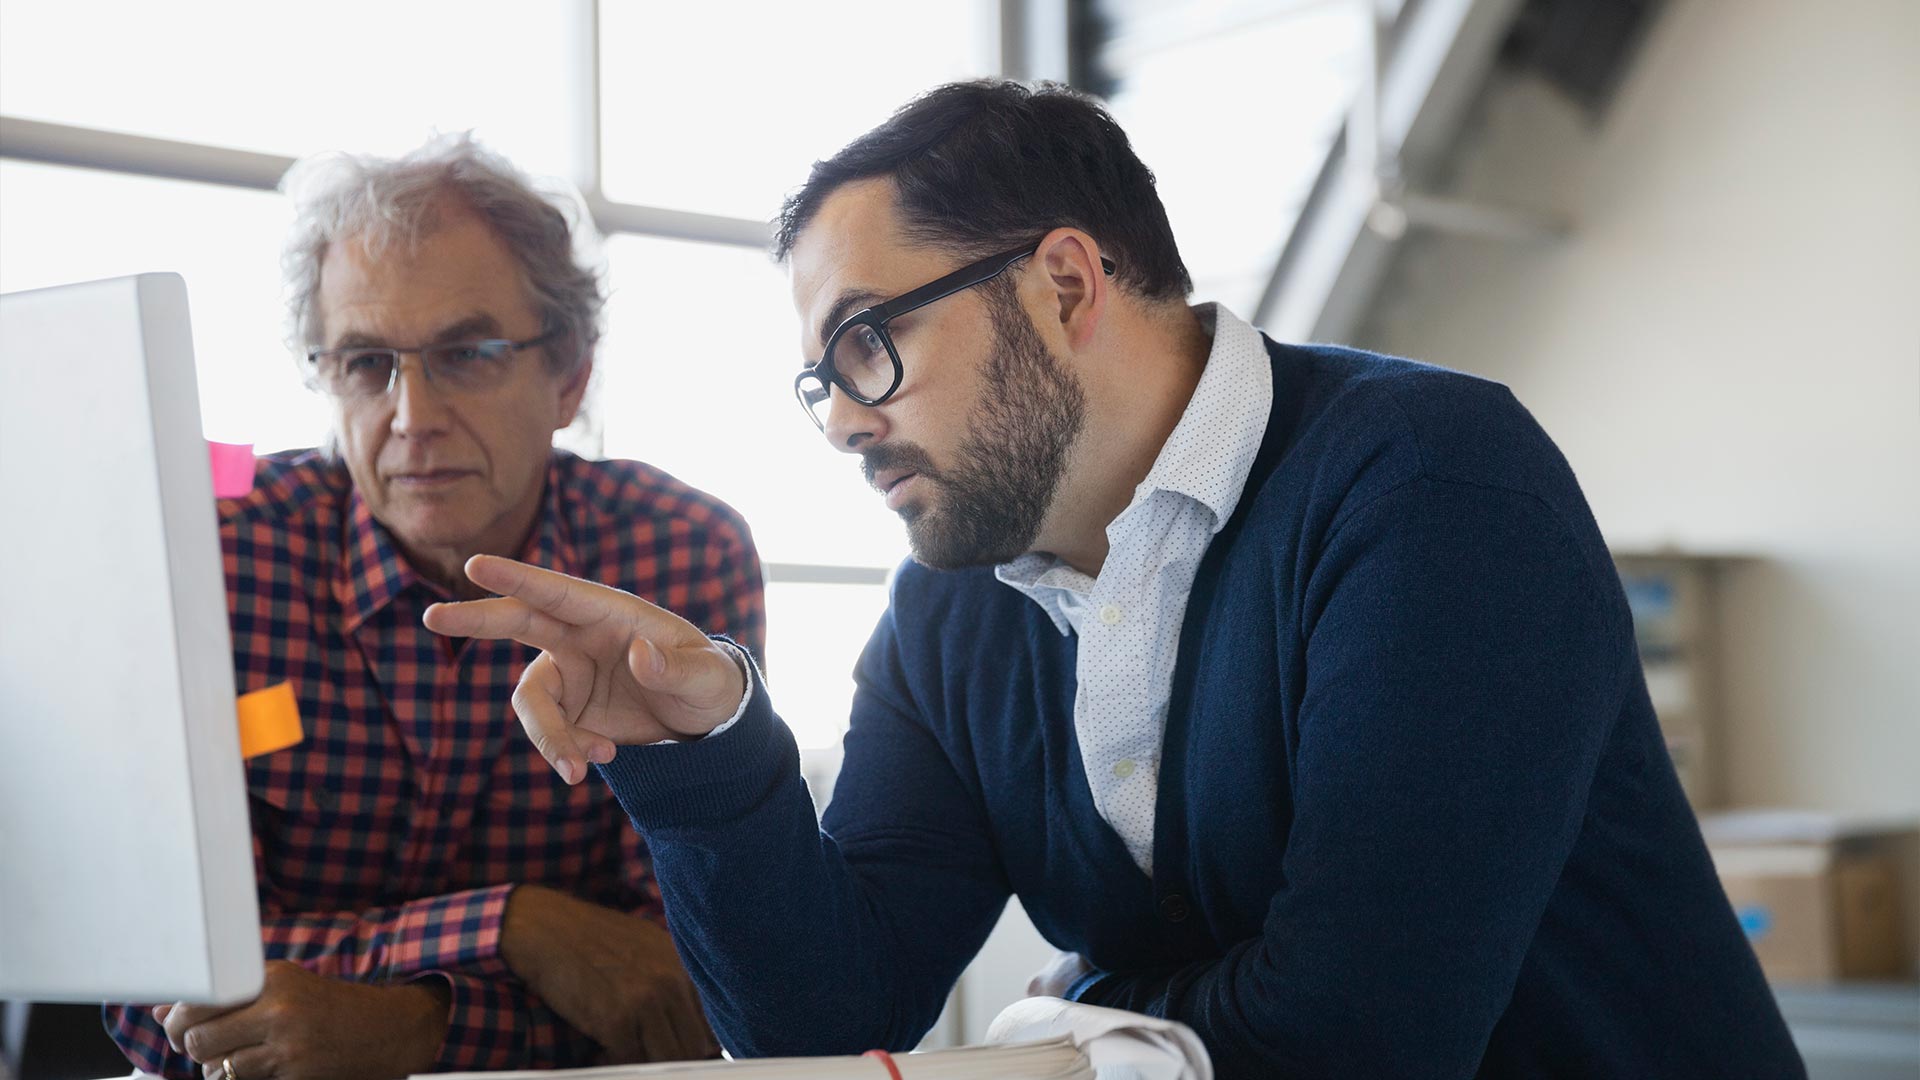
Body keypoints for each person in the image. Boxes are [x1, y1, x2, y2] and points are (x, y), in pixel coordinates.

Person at [424, 82, 1803, 1078]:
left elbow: (1365, 1038)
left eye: (866, 347)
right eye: (816, 382)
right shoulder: (955, 602)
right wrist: (706, 752)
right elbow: (825, 1025)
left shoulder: (1433, 484)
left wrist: (1072, 1013)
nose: (842, 419)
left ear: (1067, 287)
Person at [104, 135, 764, 1079]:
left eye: (467, 353)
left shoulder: (675, 555)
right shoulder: (211, 552)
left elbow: (686, 991)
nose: (411, 417)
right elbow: (159, 992)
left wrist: (409, 1030)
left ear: (569, 377)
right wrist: (516, 926)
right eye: (367, 363)